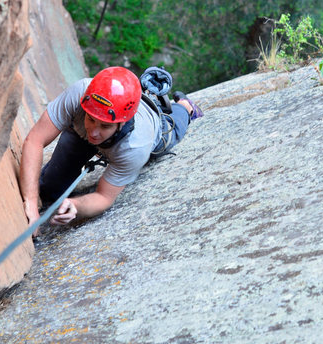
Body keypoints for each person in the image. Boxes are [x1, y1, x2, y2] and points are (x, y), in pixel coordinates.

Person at [19, 66, 203, 231]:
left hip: (154, 124)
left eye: (105, 126)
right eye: (91, 119)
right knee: (50, 188)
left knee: (173, 131)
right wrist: (31, 203)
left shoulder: (136, 146)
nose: (95, 132)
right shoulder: (81, 93)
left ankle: (185, 106)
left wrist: (76, 205)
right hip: (80, 133)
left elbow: (104, 197)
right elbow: (35, 141)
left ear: (121, 124)